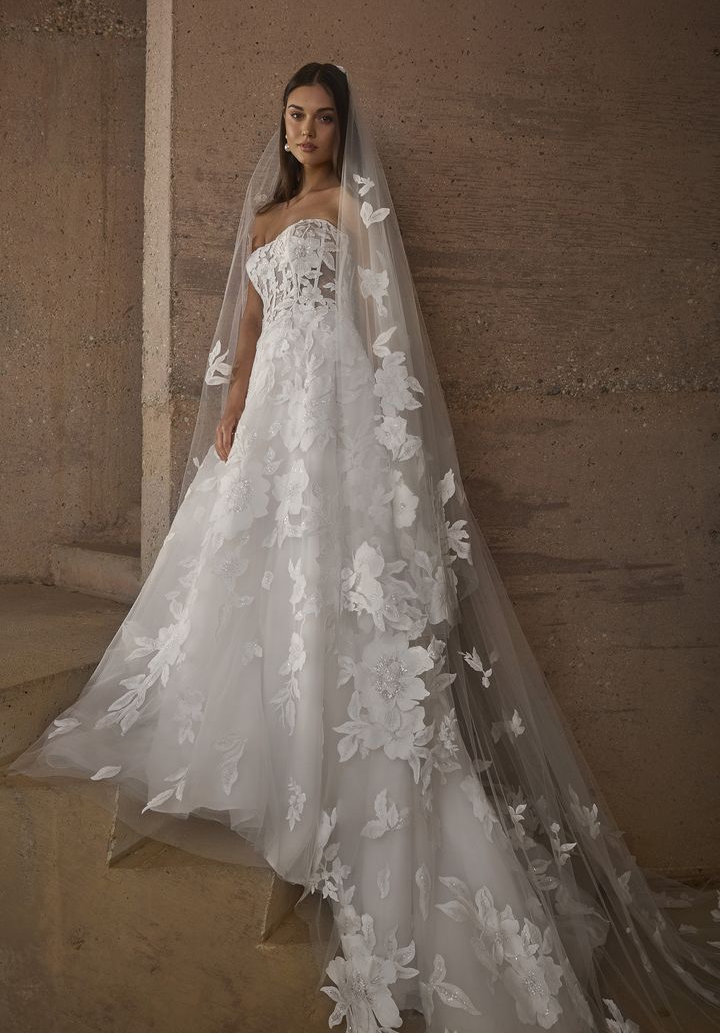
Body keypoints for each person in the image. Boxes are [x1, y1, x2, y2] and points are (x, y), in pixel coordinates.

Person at [7, 62, 720, 1033]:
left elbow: (385, 328)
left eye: (323, 117)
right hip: (265, 429)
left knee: (338, 592)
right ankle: (270, 746)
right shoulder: (262, 223)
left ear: (343, 129)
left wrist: (387, 440)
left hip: (334, 413)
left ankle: (350, 781)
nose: (306, 129)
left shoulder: (353, 205)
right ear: (283, 124)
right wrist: (231, 411)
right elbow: (251, 329)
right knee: (245, 584)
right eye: (295, 116)